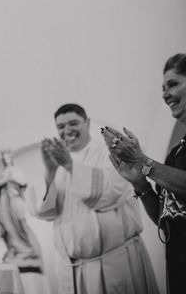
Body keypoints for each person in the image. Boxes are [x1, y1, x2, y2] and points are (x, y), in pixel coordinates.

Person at [30, 103, 158, 294]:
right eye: (61, 127)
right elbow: (46, 213)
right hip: (74, 272)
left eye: (73, 123)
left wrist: (70, 165)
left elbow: (110, 193)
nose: (67, 131)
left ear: (87, 122)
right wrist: (49, 171)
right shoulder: (57, 162)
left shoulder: (109, 153)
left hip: (115, 264)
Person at [103, 53, 186, 293]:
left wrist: (143, 160)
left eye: (173, 84)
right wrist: (141, 184)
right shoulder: (176, 153)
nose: (165, 94)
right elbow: (166, 218)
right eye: (163, 88)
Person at [0, 150, 41, 271]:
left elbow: (23, 182)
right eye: (4, 159)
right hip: (4, 202)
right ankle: (13, 248)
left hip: (14, 202)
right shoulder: (3, 172)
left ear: (11, 158)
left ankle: (25, 249)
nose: (6, 160)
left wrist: (10, 181)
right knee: (7, 225)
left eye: (8, 158)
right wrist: (5, 181)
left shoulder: (15, 170)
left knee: (18, 225)